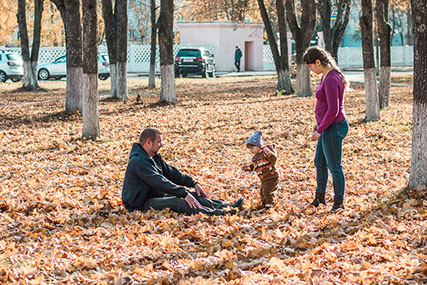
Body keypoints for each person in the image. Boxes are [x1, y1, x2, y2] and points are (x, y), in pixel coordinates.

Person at [122, 128, 244, 216]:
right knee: (181, 202)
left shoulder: (153, 157)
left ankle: (226, 206)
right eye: (159, 142)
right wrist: (183, 193)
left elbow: (171, 173)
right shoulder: (138, 161)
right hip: (141, 203)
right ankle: (218, 214)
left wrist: (193, 183)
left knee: (195, 196)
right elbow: (159, 181)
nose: (162, 145)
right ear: (149, 142)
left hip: (156, 195)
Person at [303, 46, 349, 212]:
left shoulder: (331, 79)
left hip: (333, 126)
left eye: (311, 66)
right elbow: (324, 106)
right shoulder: (326, 76)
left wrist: (320, 130)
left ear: (318, 62)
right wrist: (319, 123)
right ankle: (319, 197)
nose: (310, 69)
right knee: (320, 162)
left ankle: (338, 203)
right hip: (327, 125)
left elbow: (333, 109)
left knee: (334, 165)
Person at [241, 131, 279, 208]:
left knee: (267, 190)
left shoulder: (265, 153)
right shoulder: (255, 158)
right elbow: (254, 166)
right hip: (264, 179)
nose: (251, 150)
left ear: (259, 146)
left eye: (252, 148)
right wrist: (248, 168)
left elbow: (273, 159)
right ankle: (265, 204)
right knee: (262, 192)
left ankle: (270, 204)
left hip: (272, 176)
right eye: (249, 149)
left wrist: (269, 153)